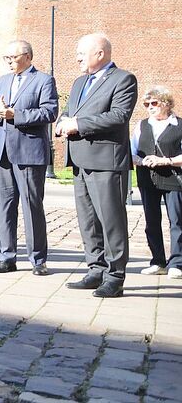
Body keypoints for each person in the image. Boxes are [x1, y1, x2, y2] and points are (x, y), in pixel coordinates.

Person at [57, 33, 138, 298]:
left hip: (107, 162)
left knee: (111, 219)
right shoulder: (80, 82)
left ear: (100, 53)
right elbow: (69, 111)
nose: (77, 57)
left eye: (82, 52)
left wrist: (77, 125)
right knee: (88, 220)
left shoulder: (123, 79)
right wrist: (63, 122)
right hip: (80, 160)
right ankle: (96, 268)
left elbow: (118, 116)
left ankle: (115, 276)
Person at [0, 40, 58, 276]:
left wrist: (16, 114)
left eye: (13, 58)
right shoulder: (1, 81)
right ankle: (6, 256)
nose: (9, 62)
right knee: (4, 207)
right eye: (6, 58)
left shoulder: (43, 81)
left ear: (27, 56)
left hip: (29, 152)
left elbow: (49, 111)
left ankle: (38, 259)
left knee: (31, 205)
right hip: (3, 151)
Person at [131, 86, 182, 279]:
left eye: (154, 103)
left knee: (177, 221)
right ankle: (158, 261)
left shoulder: (179, 126)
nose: (150, 107)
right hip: (148, 179)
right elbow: (131, 151)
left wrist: (166, 161)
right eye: (147, 104)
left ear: (166, 104)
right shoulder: (142, 125)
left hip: (173, 179)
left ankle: (177, 263)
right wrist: (142, 161)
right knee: (151, 221)